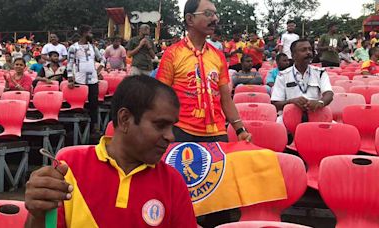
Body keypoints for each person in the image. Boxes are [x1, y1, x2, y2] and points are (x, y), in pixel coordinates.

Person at [24, 76, 198, 228]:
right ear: (125, 119)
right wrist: (37, 214)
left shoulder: (173, 183)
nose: (171, 136)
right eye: (160, 125)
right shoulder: (69, 167)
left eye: (172, 126)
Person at [157, 1, 252, 225]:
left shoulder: (218, 57)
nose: (215, 19)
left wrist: (239, 129)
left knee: (220, 198)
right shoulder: (172, 54)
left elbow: (225, 98)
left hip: (216, 133)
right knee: (184, 197)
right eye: (208, 14)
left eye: (215, 15)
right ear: (190, 19)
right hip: (182, 133)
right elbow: (160, 97)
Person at [271, 39, 334, 122]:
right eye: (303, 50)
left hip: (316, 113)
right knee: (277, 128)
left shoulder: (320, 72)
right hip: (290, 116)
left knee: (339, 130)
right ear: (293, 56)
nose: (308, 52)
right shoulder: (282, 75)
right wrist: (291, 102)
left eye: (309, 49)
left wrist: (320, 102)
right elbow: (275, 103)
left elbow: (329, 94)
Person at [67, 25, 105, 133]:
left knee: (94, 104)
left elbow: (102, 59)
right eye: (90, 32)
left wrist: (98, 71)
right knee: (80, 105)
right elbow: (69, 64)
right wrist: (70, 78)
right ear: (84, 33)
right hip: (79, 79)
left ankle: (94, 127)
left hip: (93, 80)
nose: (91, 35)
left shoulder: (93, 47)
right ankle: (81, 128)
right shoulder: (73, 48)